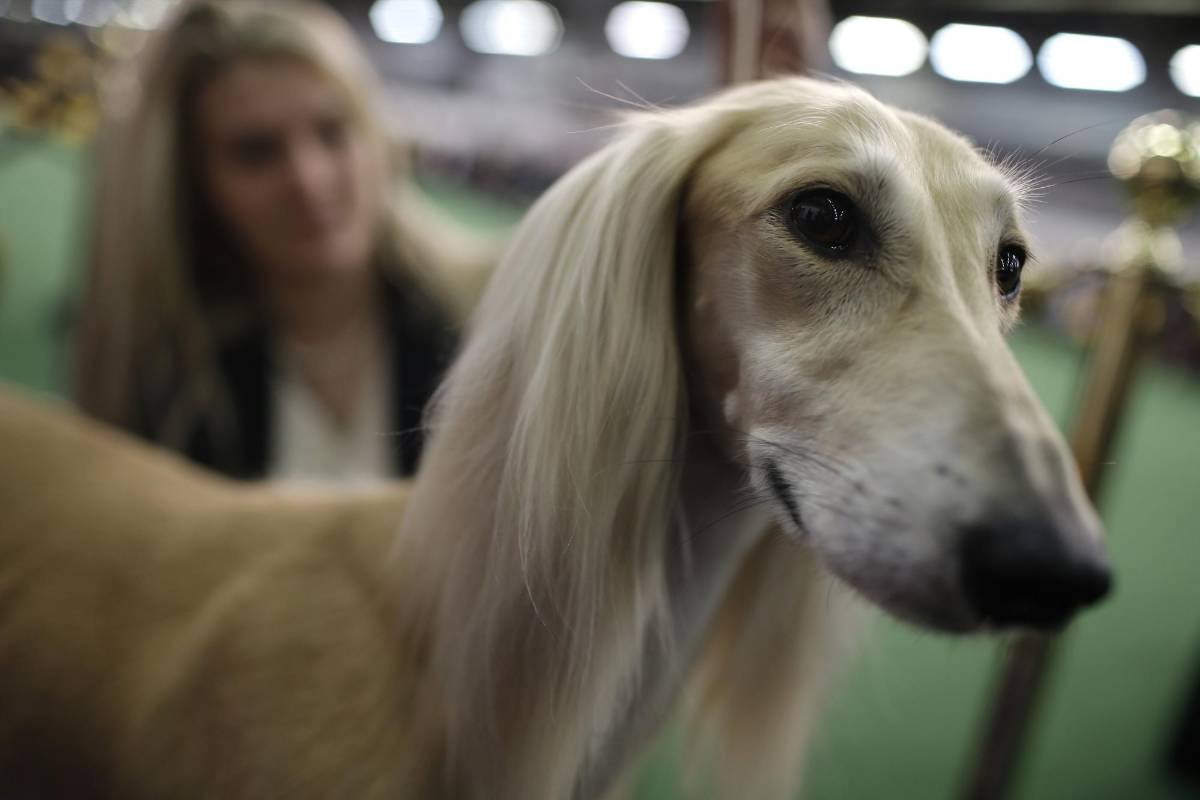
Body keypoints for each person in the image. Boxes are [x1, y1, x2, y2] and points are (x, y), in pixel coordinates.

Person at [74, 0, 485, 483]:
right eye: (256, 152)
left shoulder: (480, 322)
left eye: (332, 132)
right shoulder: (163, 377)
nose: (309, 180)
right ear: (193, 185)